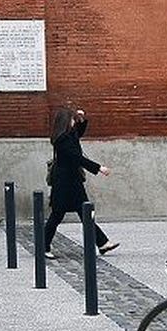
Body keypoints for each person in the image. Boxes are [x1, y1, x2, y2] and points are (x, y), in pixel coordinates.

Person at [43, 105, 118, 258]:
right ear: (66, 122)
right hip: (63, 183)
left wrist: (81, 119)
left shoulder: (69, 135)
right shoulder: (62, 140)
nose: (73, 122)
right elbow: (77, 158)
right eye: (71, 119)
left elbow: (79, 132)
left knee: (85, 212)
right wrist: (98, 168)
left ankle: (102, 243)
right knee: (57, 215)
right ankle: (43, 247)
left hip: (73, 182)